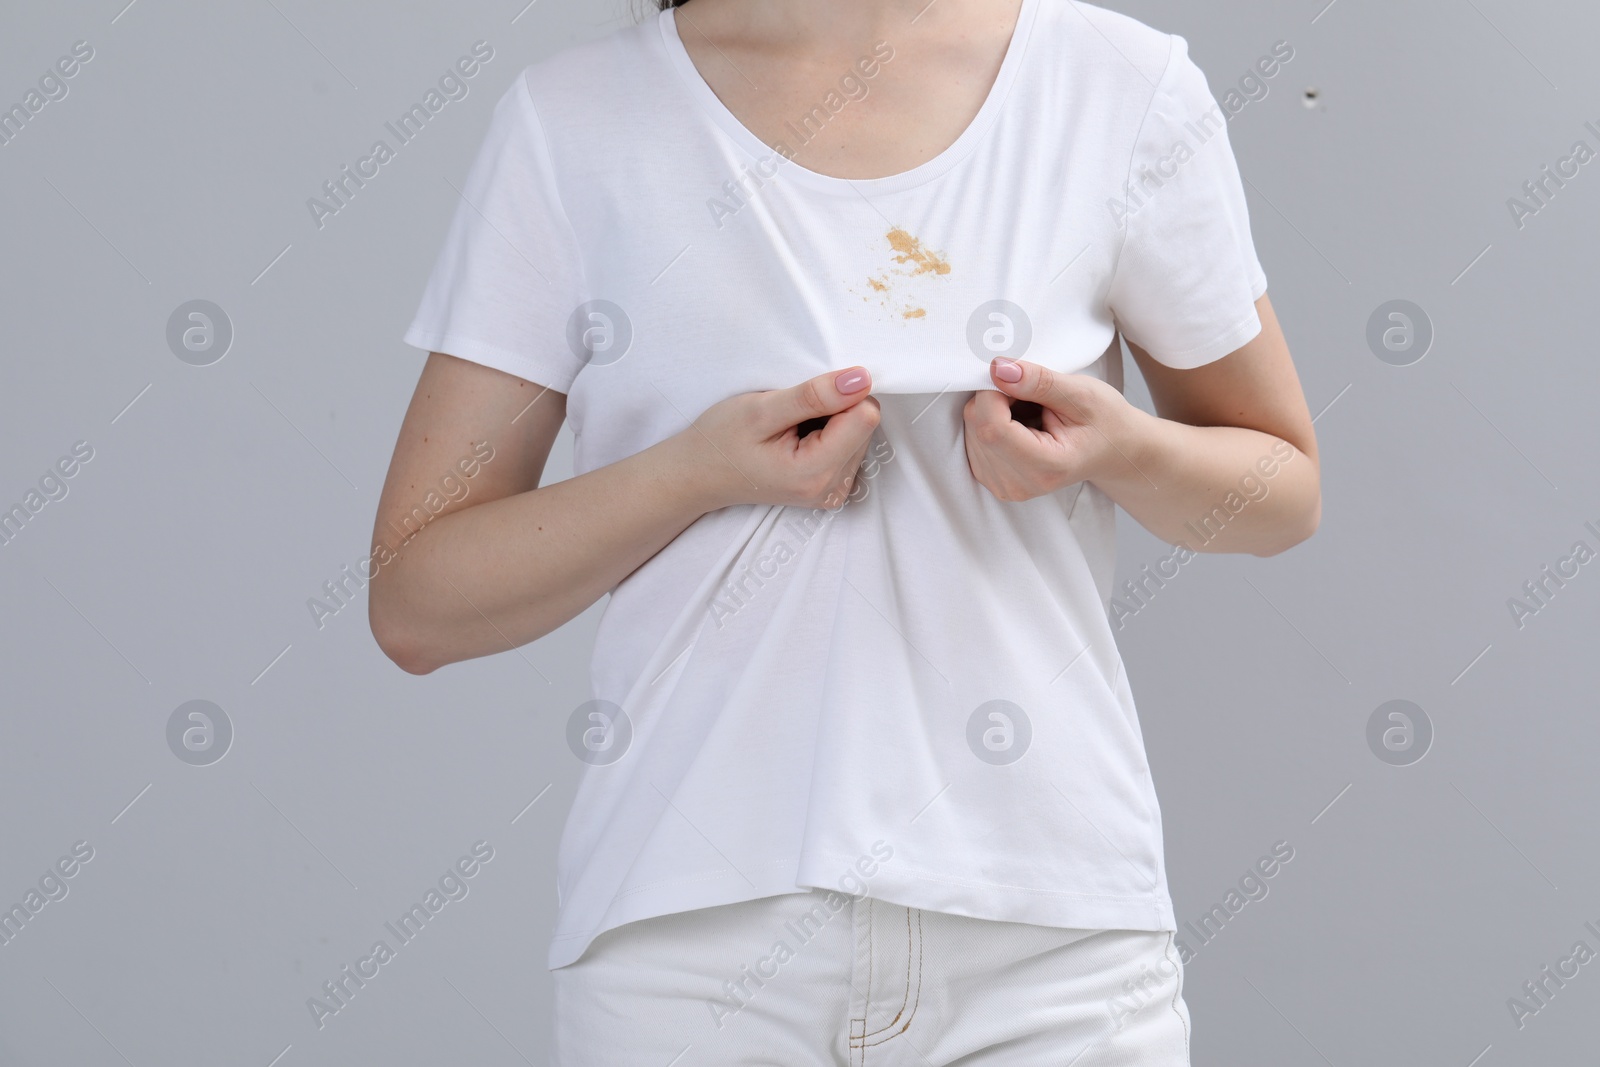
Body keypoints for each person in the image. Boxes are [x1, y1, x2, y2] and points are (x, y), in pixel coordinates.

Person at [370, 0, 1321, 1062]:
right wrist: (692, 472)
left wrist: (1117, 448)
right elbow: (417, 600)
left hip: (1050, 944)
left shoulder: (1117, 86)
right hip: (693, 955)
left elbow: (1282, 490)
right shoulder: (574, 121)